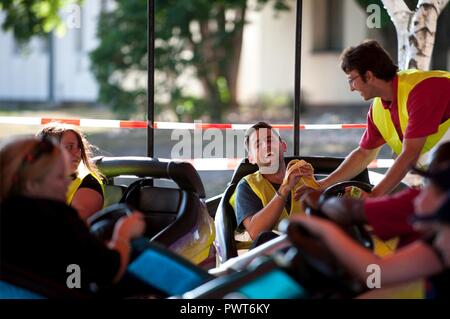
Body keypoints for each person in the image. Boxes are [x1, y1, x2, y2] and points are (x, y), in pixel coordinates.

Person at [0, 136, 145, 293]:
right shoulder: (58, 220)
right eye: (59, 177)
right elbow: (109, 271)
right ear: (31, 184)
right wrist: (123, 233)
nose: (67, 183)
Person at [307, 40, 450, 198]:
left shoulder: (421, 91)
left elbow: (410, 154)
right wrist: (322, 185)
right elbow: (363, 154)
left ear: (368, 76)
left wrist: (373, 196)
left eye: (351, 79)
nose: (351, 88)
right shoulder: (378, 108)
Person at [291, 160, 450, 298]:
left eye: (429, 189)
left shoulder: (442, 244)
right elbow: (376, 273)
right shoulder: (436, 246)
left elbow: (373, 273)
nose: (417, 196)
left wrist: (323, 228)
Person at [302, 141, 450, 249]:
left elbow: (351, 210)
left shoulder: (410, 204)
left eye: (431, 186)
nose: (419, 192)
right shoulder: (434, 249)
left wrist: (322, 201)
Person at [230, 121, 318, 245]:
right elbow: (256, 232)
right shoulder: (246, 186)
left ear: (283, 146)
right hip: (269, 255)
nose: (266, 145)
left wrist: (318, 198)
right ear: (251, 158)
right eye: (258, 144)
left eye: (270, 140)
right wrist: (285, 188)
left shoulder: (305, 177)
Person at [37, 122, 104, 221]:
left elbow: (70, 231)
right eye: (69, 147)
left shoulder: (89, 184)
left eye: (79, 147)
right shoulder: (33, 181)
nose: (77, 153)